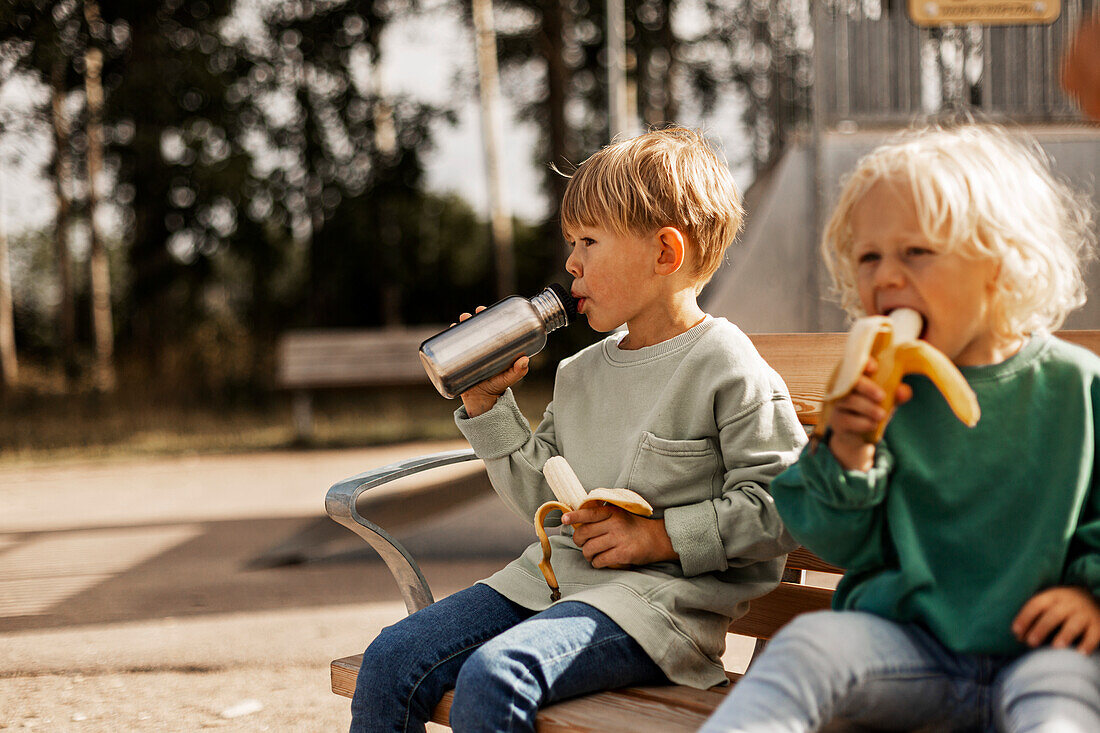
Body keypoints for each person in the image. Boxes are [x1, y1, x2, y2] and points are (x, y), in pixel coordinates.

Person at [350, 126, 807, 732]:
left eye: (589, 241)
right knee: (391, 660)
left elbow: (787, 504)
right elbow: (545, 502)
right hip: (546, 587)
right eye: (572, 242)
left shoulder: (725, 364)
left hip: (654, 613)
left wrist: (660, 537)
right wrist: (489, 405)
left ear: (666, 254)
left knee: (497, 675)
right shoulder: (581, 371)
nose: (571, 264)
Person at [699, 123, 1100, 733]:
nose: (886, 277)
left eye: (916, 252)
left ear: (999, 262)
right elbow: (830, 539)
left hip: (1042, 655)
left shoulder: (1075, 386)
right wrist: (849, 451)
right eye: (869, 257)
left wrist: (1089, 595)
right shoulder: (876, 395)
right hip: (906, 653)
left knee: (1064, 707)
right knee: (808, 644)